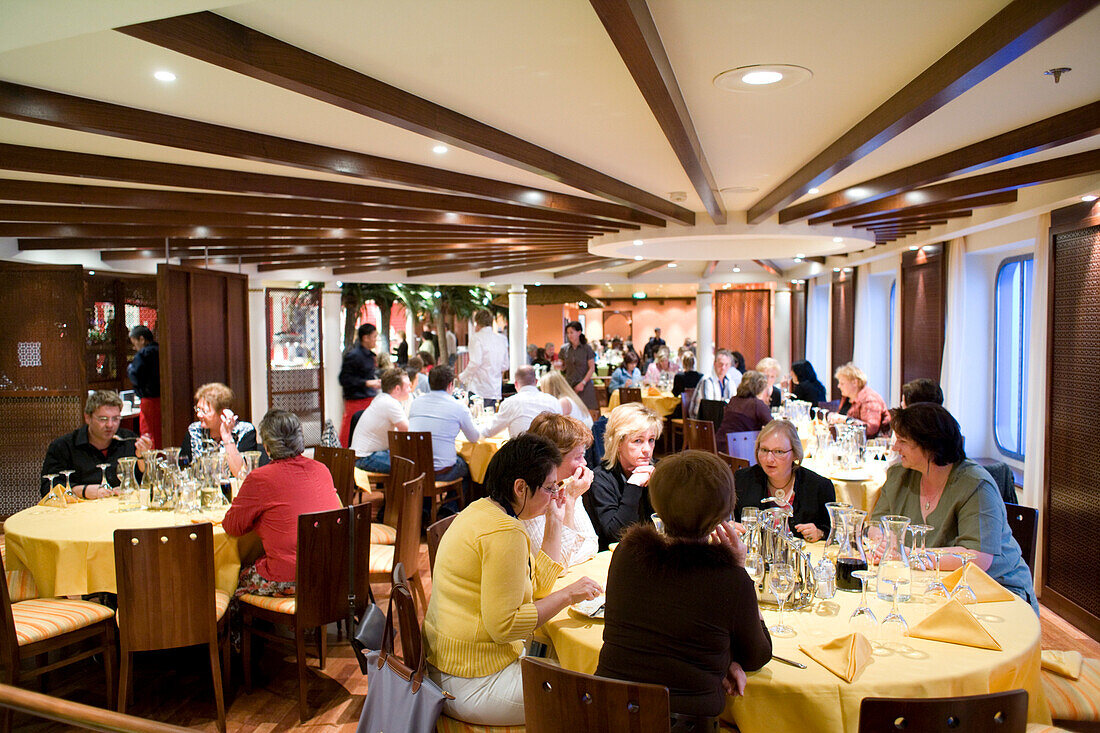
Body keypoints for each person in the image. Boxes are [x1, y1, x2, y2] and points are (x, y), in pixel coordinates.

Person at [424, 434, 603, 726]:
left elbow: (537, 588)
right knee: (591, 694)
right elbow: (505, 626)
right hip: (472, 682)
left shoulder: (483, 510)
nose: (554, 495)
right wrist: (569, 595)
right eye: (549, 487)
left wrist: (554, 521)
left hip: (450, 666)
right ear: (520, 487)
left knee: (565, 665)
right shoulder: (504, 532)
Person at [597, 451, 772, 726]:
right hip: (682, 725)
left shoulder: (627, 553)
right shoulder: (728, 578)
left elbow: (665, 627)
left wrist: (719, 658)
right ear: (722, 511)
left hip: (605, 713)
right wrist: (739, 568)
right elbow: (756, 656)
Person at [869, 404, 1038, 613]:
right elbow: (877, 524)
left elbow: (978, 557)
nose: (895, 447)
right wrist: (884, 543)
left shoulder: (975, 486)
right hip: (927, 586)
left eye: (903, 441)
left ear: (930, 446)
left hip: (992, 591)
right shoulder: (899, 476)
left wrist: (910, 556)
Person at [223, 410, 342, 597]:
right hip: (331, 571)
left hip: (290, 577)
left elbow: (232, 527)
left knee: (233, 582)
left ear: (267, 447)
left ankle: (256, 625)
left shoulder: (261, 478)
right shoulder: (321, 469)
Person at [733, 420, 836, 542]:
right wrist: (731, 526)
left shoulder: (819, 487)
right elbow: (726, 520)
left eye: (779, 452)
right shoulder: (742, 480)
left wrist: (820, 533)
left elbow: (834, 533)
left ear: (795, 454)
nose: (769, 459)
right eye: (764, 450)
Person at [40, 390, 153, 499]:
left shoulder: (129, 440)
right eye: (103, 419)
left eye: (115, 419)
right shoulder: (63, 446)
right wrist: (82, 490)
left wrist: (142, 458)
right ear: (88, 418)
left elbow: (145, 484)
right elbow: (47, 488)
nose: (110, 425)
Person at [525, 413, 599, 567]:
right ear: (551, 459)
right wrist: (570, 500)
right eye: (578, 456)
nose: (584, 463)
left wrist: (571, 497)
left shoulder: (564, 486)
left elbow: (592, 543)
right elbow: (555, 567)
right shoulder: (528, 497)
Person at [587, 402, 662, 550]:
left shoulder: (659, 470)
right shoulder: (601, 479)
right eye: (638, 441)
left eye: (651, 440)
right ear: (618, 443)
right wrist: (633, 486)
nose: (647, 449)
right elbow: (616, 535)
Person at [407, 365, 481, 487]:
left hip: (416, 468)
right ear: (451, 384)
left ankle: (429, 505)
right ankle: (452, 506)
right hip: (441, 471)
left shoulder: (416, 403)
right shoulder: (458, 407)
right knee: (468, 467)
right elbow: (474, 437)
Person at [180, 382, 262, 476]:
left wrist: (227, 436)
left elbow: (242, 474)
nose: (199, 415)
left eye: (204, 411)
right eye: (198, 409)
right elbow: (183, 470)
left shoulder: (245, 431)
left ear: (222, 413)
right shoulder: (194, 431)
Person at [350, 367, 413, 472]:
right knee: (410, 465)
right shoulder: (390, 403)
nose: (410, 390)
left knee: (405, 460)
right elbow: (407, 430)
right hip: (366, 458)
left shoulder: (382, 398)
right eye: (408, 386)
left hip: (362, 455)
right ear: (397, 388)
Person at [482, 365, 560, 437]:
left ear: (515, 384)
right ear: (536, 382)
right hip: (549, 450)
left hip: (521, 450)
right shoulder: (553, 401)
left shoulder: (510, 403)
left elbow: (489, 431)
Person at [338, 323, 381, 448]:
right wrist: (367, 383)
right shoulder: (354, 356)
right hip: (356, 400)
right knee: (349, 431)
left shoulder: (370, 355)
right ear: (365, 338)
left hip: (369, 398)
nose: (375, 340)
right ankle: (344, 457)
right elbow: (344, 379)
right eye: (374, 337)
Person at [459, 309, 508, 408]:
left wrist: (462, 376)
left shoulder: (476, 338)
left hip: (478, 389)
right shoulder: (502, 339)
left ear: (477, 323)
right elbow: (505, 365)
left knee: (477, 419)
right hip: (495, 389)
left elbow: (475, 362)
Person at [717, 371, 773, 448]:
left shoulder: (733, 400)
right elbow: (773, 426)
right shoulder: (756, 404)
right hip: (742, 451)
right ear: (759, 387)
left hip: (720, 447)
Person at [126, 325, 161, 448]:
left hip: (149, 401)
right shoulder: (162, 349)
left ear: (142, 339)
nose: (134, 347)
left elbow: (134, 375)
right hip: (165, 401)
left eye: (134, 343)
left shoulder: (143, 353)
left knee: (149, 434)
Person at [833, 362, 890, 438]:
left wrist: (846, 420)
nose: (838, 386)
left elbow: (871, 428)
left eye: (842, 383)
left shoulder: (870, 399)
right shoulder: (847, 398)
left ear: (855, 383)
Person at [688, 348, 741, 419]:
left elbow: (734, 402)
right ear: (714, 363)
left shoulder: (729, 380)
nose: (723, 367)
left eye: (727, 365)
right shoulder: (707, 380)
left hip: (719, 417)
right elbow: (709, 407)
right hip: (702, 420)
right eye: (721, 364)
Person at [560, 320, 598, 411]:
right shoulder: (564, 348)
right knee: (570, 411)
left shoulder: (587, 348)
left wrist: (583, 383)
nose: (569, 335)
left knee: (586, 411)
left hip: (584, 385)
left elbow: (592, 368)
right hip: (569, 385)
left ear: (579, 332)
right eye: (568, 333)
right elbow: (563, 366)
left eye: (572, 332)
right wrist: (559, 367)